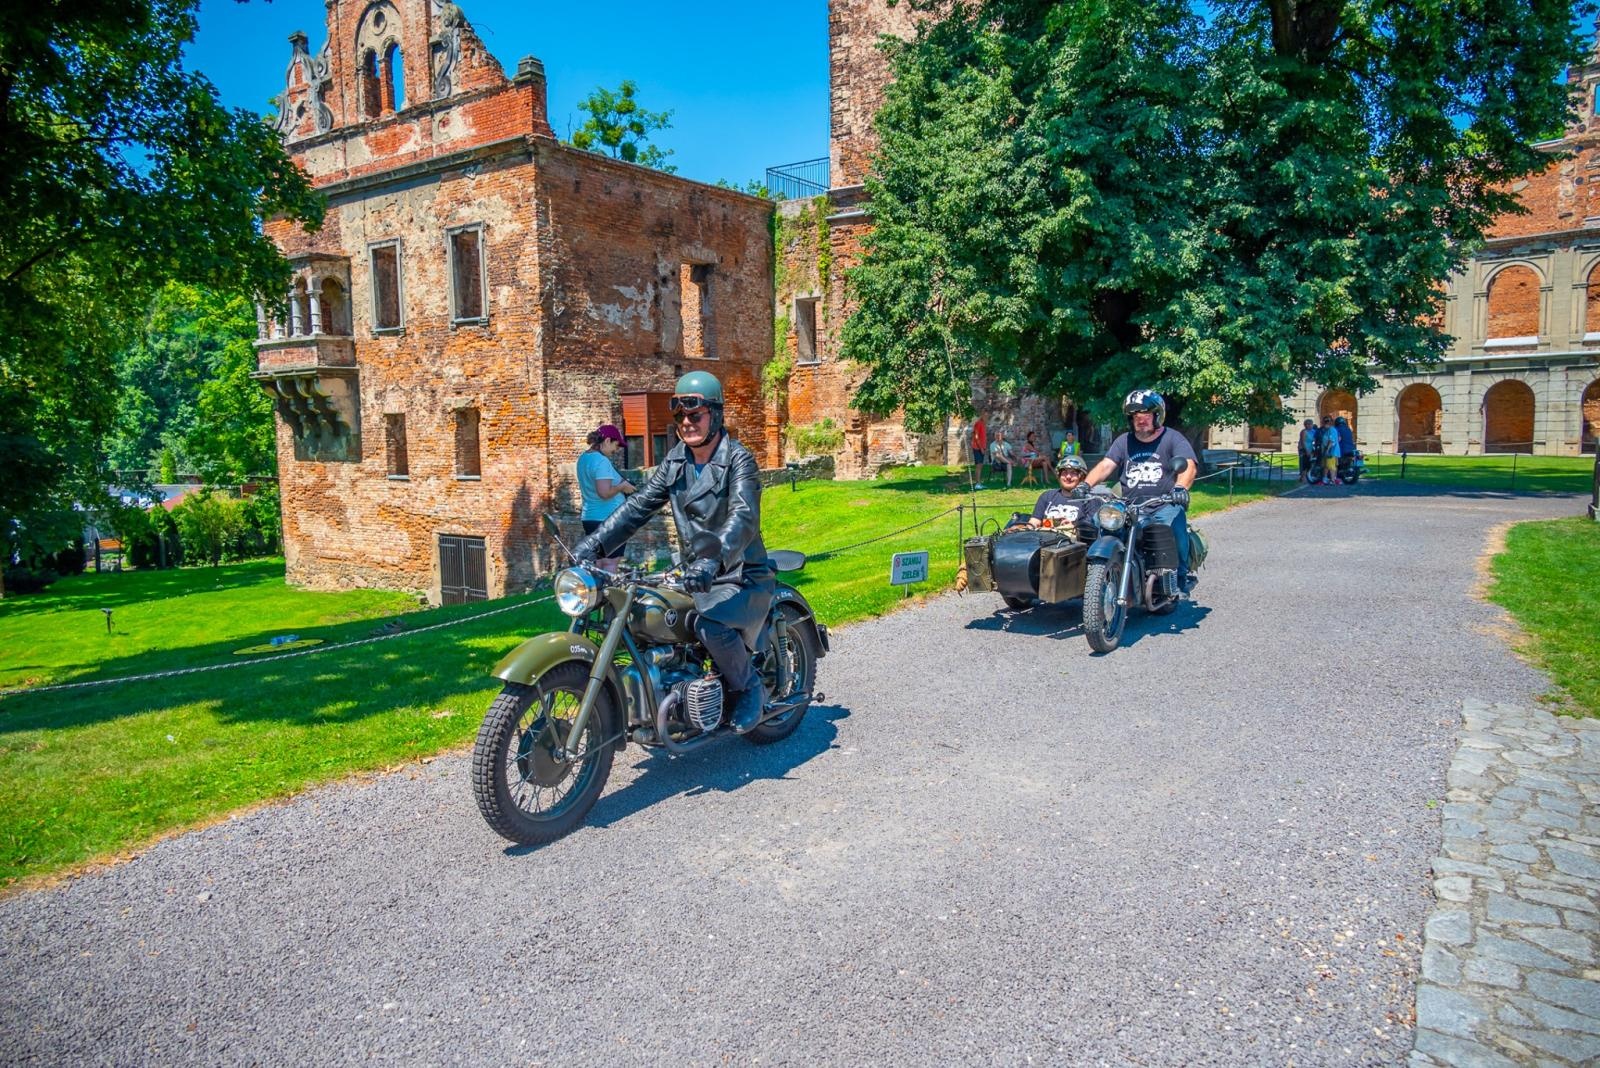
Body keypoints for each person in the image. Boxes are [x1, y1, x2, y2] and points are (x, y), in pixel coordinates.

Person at [573, 371, 775, 733]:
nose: (686, 423)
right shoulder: (676, 461)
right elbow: (638, 507)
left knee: (709, 622)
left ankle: (750, 687)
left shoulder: (738, 460)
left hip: (738, 574)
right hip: (695, 574)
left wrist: (715, 558)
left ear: (715, 413)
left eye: (694, 415)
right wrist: (594, 544)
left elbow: (744, 516)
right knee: (644, 616)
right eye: (680, 416)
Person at [1084, 389, 1200, 584]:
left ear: (1157, 416)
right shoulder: (1124, 441)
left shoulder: (1172, 438)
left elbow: (1188, 466)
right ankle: (1096, 575)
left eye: (1146, 415)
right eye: (1136, 416)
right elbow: (1106, 465)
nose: (1141, 420)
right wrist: (1085, 484)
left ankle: (1180, 576)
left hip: (1163, 504)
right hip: (1129, 505)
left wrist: (1180, 489)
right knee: (1098, 522)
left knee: (1172, 527)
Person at [576, 423, 635, 568]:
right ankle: (607, 591)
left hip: (590, 516)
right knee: (610, 562)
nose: (616, 450)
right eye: (616, 445)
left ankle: (597, 590)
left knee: (597, 561)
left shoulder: (583, 458)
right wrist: (622, 486)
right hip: (608, 519)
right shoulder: (601, 461)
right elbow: (604, 493)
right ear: (607, 440)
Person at [1026, 454, 1091, 528]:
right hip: (1045, 537)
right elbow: (1035, 521)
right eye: (1064, 472)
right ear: (1059, 475)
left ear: (1082, 477)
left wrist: (1074, 526)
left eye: (1074, 473)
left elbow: (1090, 528)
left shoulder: (1090, 500)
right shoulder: (1047, 496)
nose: (1068, 476)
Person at [1319, 415, 1341, 484]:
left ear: (1331, 422)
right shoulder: (1327, 430)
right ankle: (1327, 479)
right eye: (1325, 421)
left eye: (1328, 421)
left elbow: (1332, 441)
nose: (1326, 422)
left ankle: (1332, 480)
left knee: (1331, 466)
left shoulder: (1332, 430)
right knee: (1327, 465)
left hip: (1332, 451)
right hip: (1331, 451)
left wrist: (1327, 450)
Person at [970, 415, 988, 490]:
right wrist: (981, 448)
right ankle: (977, 484)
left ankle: (979, 483)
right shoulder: (978, 423)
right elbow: (976, 437)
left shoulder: (983, 424)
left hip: (981, 448)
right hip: (977, 448)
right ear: (982, 416)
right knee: (978, 466)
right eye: (986, 415)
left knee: (980, 465)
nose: (987, 417)